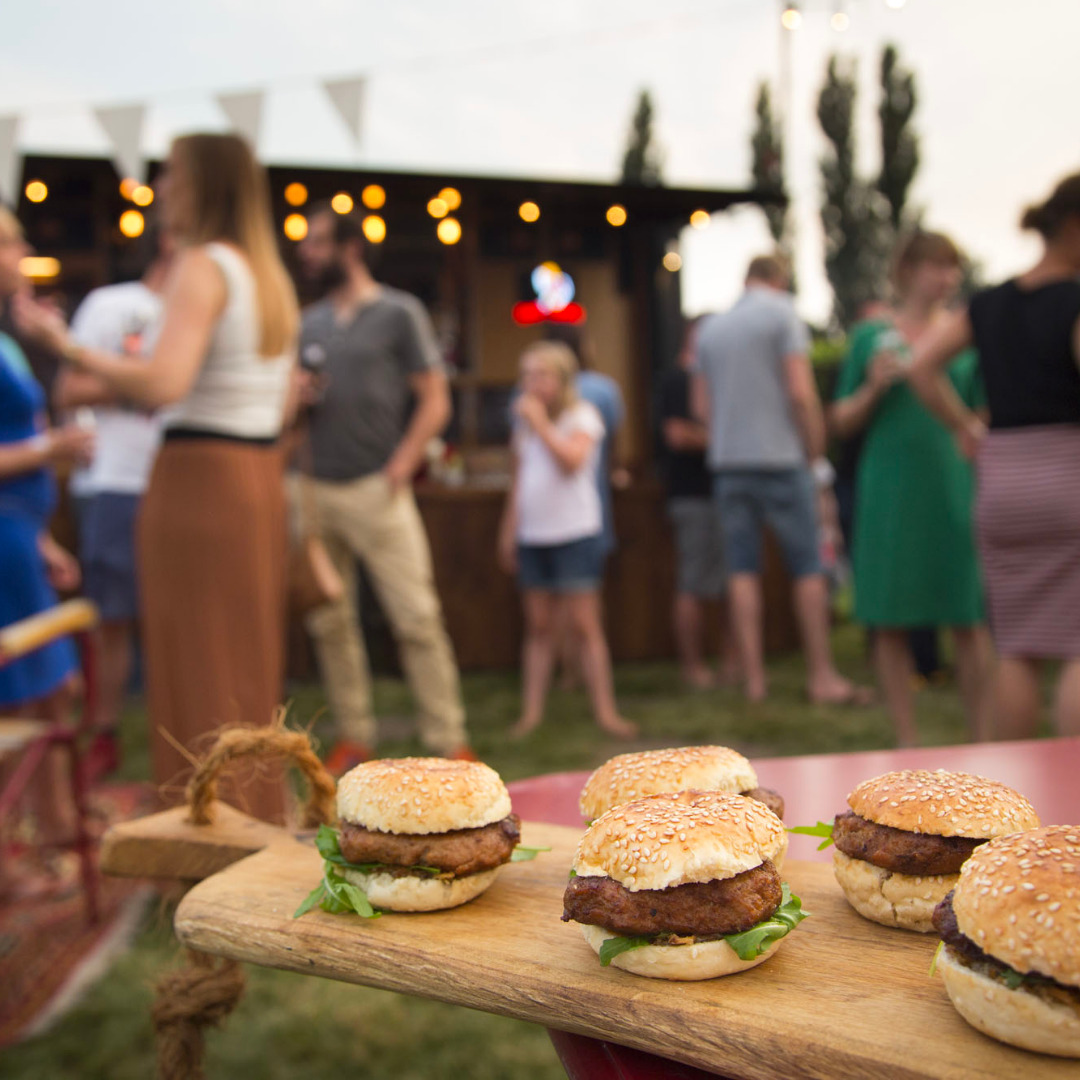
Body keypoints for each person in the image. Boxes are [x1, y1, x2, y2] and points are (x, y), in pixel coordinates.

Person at [16, 133, 298, 823]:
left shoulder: (203, 265)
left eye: (172, 174)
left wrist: (66, 346)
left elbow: (166, 380)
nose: (162, 187)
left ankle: (209, 837)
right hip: (257, 477)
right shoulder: (270, 274)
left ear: (204, 183)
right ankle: (254, 817)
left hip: (199, 479)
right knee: (247, 664)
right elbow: (279, 394)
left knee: (196, 659)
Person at [294, 206, 472, 771]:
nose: (307, 254)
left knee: (416, 617)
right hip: (313, 492)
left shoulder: (399, 312)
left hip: (379, 488)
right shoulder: (309, 323)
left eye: (318, 243)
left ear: (351, 249)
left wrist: (402, 464)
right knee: (329, 620)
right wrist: (295, 396)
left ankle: (450, 741)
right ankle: (354, 734)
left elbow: (435, 397)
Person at [910, 172, 1080, 739]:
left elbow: (919, 367)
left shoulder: (990, 304)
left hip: (1002, 478)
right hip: (1067, 472)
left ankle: (1017, 798)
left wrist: (967, 427)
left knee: (1017, 646)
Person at [829, 231, 992, 746]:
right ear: (907, 271)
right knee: (890, 615)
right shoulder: (870, 338)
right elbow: (840, 420)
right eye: (935, 266)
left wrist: (972, 428)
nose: (945, 278)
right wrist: (874, 387)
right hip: (890, 487)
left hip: (951, 482)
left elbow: (988, 408)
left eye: (952, 268)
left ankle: (987, 737)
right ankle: (906, 741)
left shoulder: (966, 332)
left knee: (966, 613)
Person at [693, 254, 870, 706]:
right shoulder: (782, 314)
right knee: (808, 566)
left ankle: (754, 682)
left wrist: (729, 438)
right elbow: (800, 392)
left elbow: (701, 408)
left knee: (742, 569)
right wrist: (814, 453)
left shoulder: (710, 329)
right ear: (780, 278)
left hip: (729, 464)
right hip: (782, 459)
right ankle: (821, 676)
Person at [53, 229, 175, 771]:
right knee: (112, 617)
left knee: (177, 617)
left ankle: (180, 736)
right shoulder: (113, 304)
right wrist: (148, 383)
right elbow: (70, 391)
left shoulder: (204, 312)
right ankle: (102, 733)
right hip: (114, 480)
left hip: (181, 480)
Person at [498, 340, 636, 739]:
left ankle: (607, 714)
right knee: (538, 627)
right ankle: (531, 715)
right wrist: (509, 531)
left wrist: (540, 423)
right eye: (525, 375)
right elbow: (519, 482)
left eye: (540, 374)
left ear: (561, 379)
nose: (530, 383)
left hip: (575, 533)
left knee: (584, 625)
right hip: (534, 536)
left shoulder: (583, 416)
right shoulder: (524, 427)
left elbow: (572, 462)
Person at [658, 318, 739, 689]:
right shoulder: (678, 380)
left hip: (720, 495)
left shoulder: (717, 379)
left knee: (727, 585)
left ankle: (730, 662)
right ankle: (692, 667)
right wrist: (726, 440)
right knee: (692, 583)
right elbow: (676, 435)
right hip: (691, 497)